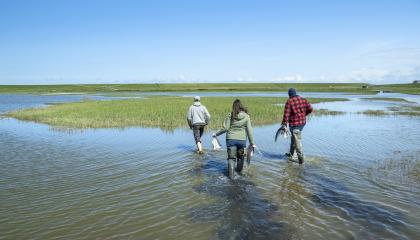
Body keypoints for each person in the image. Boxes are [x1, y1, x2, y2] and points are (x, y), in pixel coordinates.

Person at [213, 99, 255, 179]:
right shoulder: (246, 116)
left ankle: (231, 178)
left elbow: (225, 128)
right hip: (242, 141)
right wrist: (252, 143)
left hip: (231, 140)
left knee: (231, 159)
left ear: (233, 107)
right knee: (241, 157)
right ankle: (239, 174)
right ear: (241, 106)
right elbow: (250, 131)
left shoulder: (230, 115)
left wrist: (216, 134)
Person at [281, 88, 313, 164]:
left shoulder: (289, 101)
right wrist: (304, 115)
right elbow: (310, 109)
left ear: (289, 94)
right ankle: (291, 154)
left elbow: (286, 115)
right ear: (295, 93)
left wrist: (284, 124)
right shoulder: (303, 99)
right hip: (302, 123)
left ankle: (301, 159)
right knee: (294, 138)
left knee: (297, 141)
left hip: (294, 124)